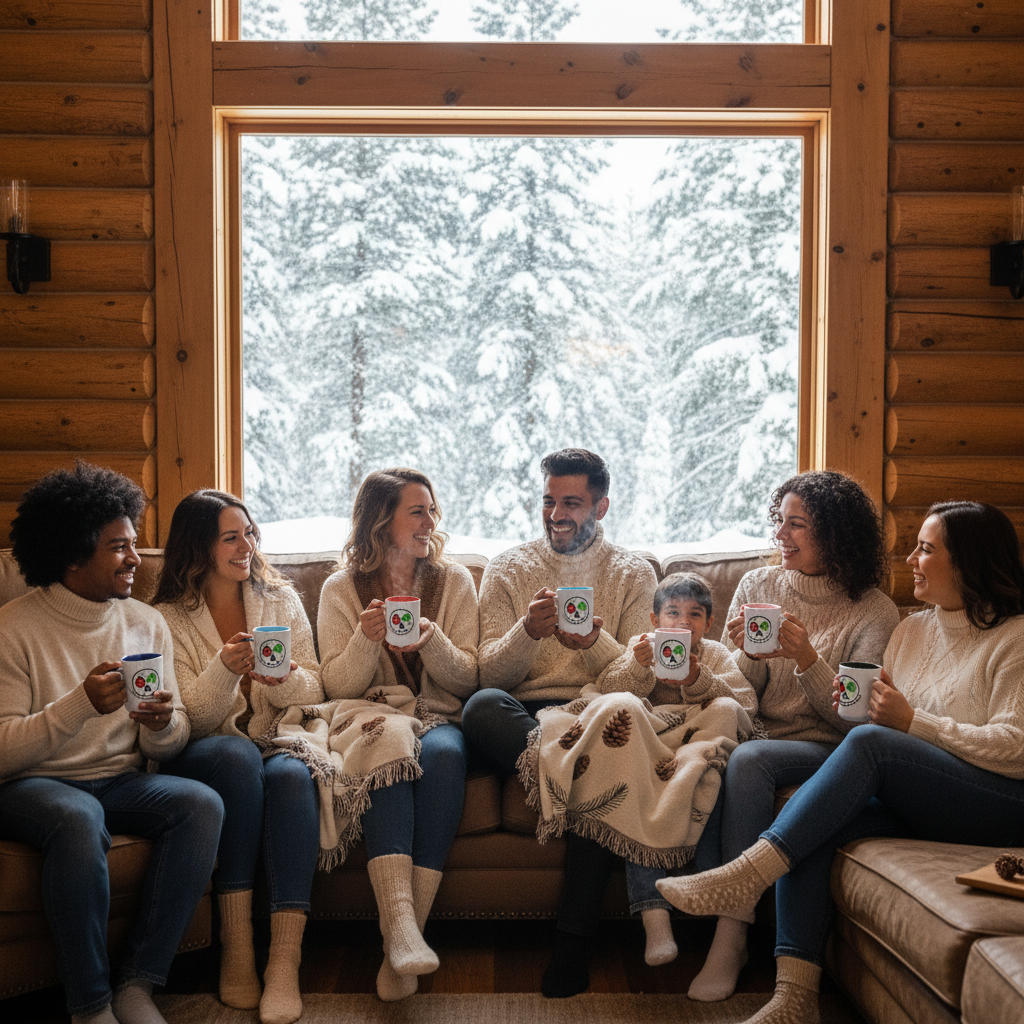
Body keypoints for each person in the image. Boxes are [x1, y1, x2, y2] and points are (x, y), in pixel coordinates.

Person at [657, 500, 1024, 1024]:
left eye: (926, 549)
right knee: (816, 824)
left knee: (870, 744)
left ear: (967, 561)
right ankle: (795, 996)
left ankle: (746, 873)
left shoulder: (1015, 638)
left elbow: (1016, 746)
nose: (911, 561)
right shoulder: (912, 630)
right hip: (925, 793)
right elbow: (867, 714)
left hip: (998, 800)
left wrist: (912, 721)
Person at [0, 462, 223, 1024]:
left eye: (133, 542)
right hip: (37, 784)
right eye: (118, 547)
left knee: (201, 804)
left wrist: (160, 725)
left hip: (122, 779)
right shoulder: (14, 629)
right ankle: (90, 1005)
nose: (135, 559)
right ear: (73, 555)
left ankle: (138, 985)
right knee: (76, 818)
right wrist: (79, 705)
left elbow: (169, 745)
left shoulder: (145, 623)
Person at [685, 469, 899, 1003]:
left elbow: (854, 721)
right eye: (779, 521)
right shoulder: (757, 587)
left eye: (797, 525)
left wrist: (805, 658)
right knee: (732, 755)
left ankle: (731, 933)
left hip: (828, 749)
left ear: (835, 534)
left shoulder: (873, 610)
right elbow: (743, 694)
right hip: (758, 732)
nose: (781, 534)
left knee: (752, 760)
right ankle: (726, 926)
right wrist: (749, 660)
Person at [460, 448, 657, 997]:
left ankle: (570, 947)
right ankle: (577, 776)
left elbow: (637, 682)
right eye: (549, 500)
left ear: (602, 506)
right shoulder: (510, 567)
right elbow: (485, 676)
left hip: (592, 712)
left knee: (604, 743)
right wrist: (527, 631)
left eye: (571, 502)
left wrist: (595, 643)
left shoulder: (633, 573)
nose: (555, 514)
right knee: (480, 711)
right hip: (519, 715)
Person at [152, 490, 323, 1024]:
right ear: (199, 546)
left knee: (295, 776)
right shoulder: (167, 619)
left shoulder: (279, 599)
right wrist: (224, 671)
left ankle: (284, 962)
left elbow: (316, 688)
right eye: (231, 536)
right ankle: (238, 945)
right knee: (234, 757)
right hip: (212, 753)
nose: (246, 545)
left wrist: (283, 679)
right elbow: (186, 724)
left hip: (276, 740)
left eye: (250, 533)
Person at [317, 468, 479, 1001]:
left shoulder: (453, 581)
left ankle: (407, 936)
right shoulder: (339, 589)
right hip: (372, 715)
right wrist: (366, 641)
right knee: (386, 742)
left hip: (436, 716)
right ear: (382, 522)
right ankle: (399, 926)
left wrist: (431, 640)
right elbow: (335, 684)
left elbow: (467, 680)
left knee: (447, 755)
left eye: (433, 509)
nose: (431, 521)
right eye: (418, 510)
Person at [590, 571, 756, 968]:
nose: (683, 623)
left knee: (721, 719)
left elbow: (745, 706)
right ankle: (653, 915)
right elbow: (607, 687)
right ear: (654, 620)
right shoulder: (640, 647)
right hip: (651, 748)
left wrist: (698, 678)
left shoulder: (715, 655)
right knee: (639, 789)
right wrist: (638, 666)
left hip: (697, 745)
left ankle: (710, 895)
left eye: (694, 615)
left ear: (708, 623)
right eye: (673, 613)